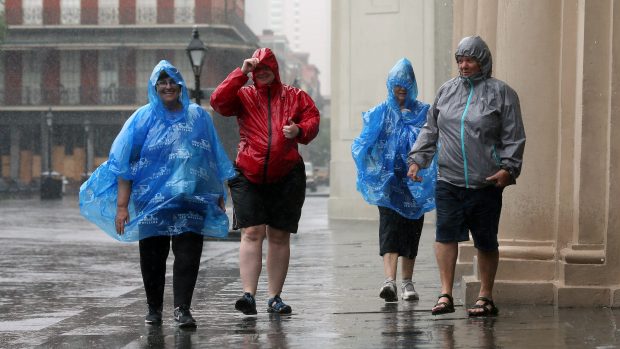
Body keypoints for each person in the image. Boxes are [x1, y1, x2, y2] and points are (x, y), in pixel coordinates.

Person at [79, 60, 236, 327]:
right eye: (161, 82)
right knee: (153, 256)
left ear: (180, 85)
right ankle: (154, 308)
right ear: (154, 87)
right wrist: (122, 206)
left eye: (172, 81)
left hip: (191, 199)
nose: (167, 86)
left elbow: (211, 158)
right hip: (151, 201)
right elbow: (124, 163)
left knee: (188, 256)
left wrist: (218, 193)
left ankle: (182, 309)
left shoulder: (199, 116)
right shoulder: (142, 118)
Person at [407, 36, 526, 316]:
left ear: (482, 61)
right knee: (445, 236)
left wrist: (509, 169)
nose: (463, 65)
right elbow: (430, 129)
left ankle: (486, 296)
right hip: (448, 180)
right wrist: (417, 160)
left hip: (486, 182)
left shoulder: (502, 93)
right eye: (460, 60)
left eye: (469, 60)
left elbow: (514, 135)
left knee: (485, 240)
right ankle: (445, 294)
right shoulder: (447, 91)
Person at [210, 47, 320, 315]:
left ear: (275, 68)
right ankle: (248, 295)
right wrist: (240, 72)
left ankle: (275, 297)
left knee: (279, 235)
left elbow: (313, 118)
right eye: (257, 69)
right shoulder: (244, 95)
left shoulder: (294, 96)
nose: (262, 73)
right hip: (249, 173)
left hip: (286, 174)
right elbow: (218, 102)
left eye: (266, 68)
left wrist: (299, 130)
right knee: (252, 231)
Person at [352, 58, 437, 302]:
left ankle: (407, 283)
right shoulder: (380, 112)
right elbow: (363, 143)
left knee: (412, 228)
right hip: (388, 183)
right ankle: (389, 281)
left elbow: (433, 142)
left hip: (415, 181)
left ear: (413, 85)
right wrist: (372, 170)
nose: (401, 88)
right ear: (390, 85)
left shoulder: (424, 112)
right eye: (397, 83)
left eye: (406, 83)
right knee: (389, 227)